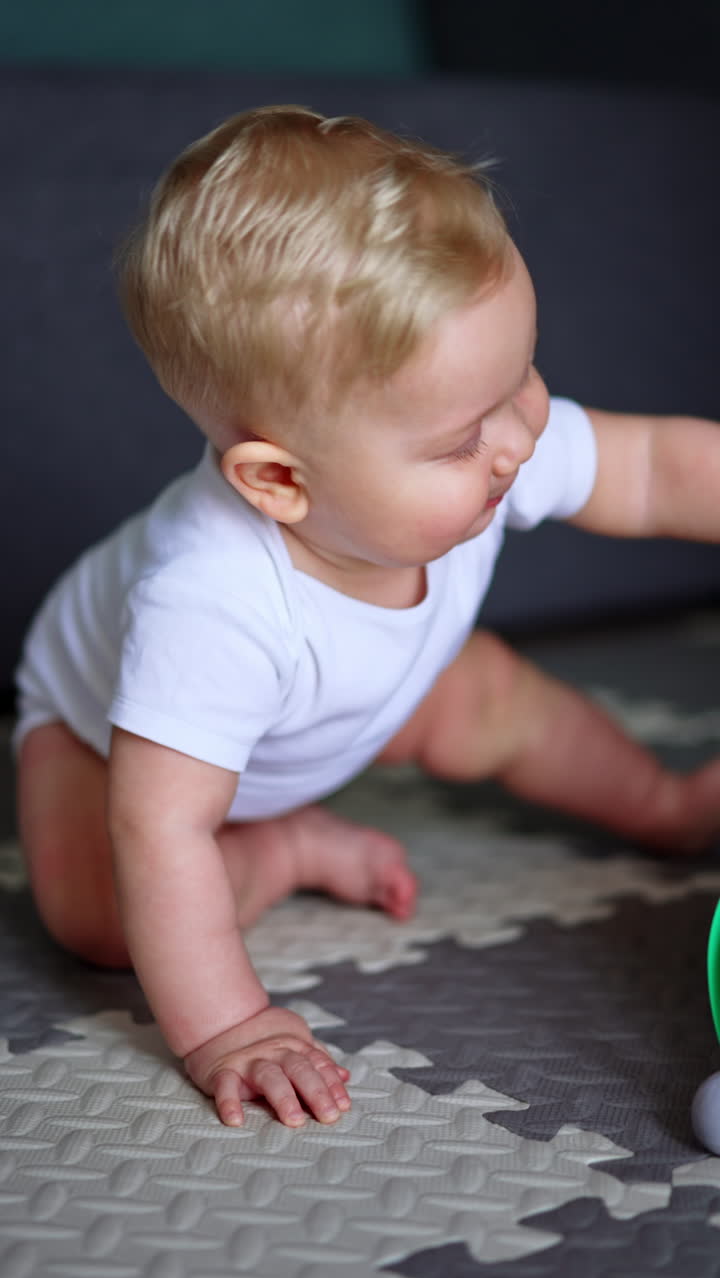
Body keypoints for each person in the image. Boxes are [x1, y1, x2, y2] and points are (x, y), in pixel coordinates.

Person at [14, 105, 720, 1130]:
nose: (520, 440)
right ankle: (281, 849)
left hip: (363, 684)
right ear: (281, 481)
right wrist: (231, 1024)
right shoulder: (207, 605)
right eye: (462, 435)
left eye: (521, 375)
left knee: (494, 696)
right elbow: (158, 823)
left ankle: (664, 805)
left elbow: (656, 470)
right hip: (106, 743)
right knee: (97, 915)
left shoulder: (485, 428)